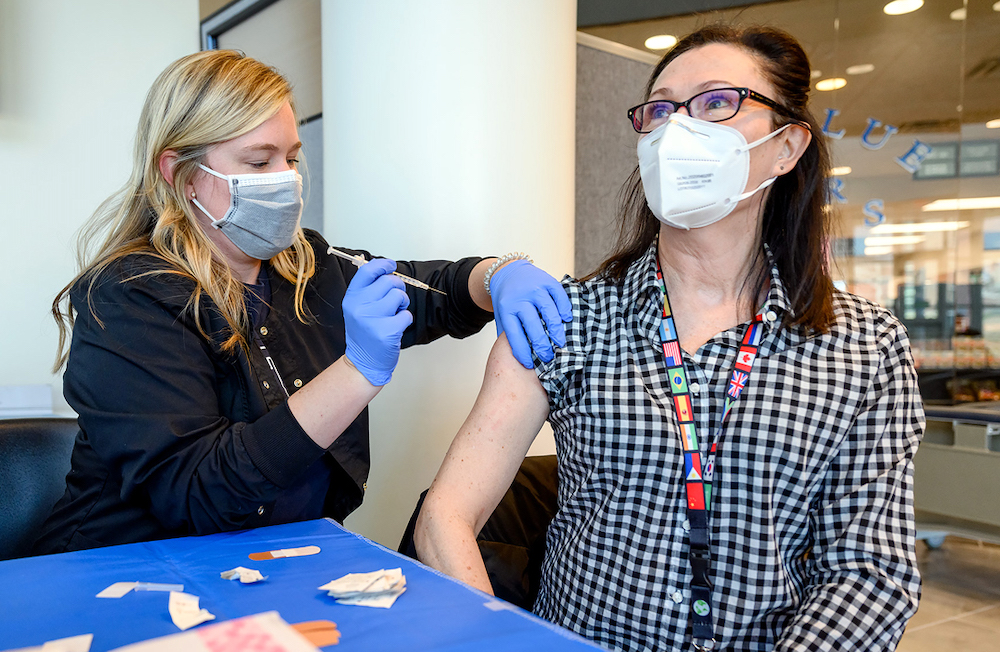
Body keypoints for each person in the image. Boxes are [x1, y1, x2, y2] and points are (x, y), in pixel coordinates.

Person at [415, 24, 924, 652]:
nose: (678, 129)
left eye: (717, 102)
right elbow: (445, 519)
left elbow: (870, 574)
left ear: (788, 146)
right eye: (662, 109)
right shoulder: (568, 316)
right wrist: (496, 641)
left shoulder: (865, 346)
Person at [32, 49, 571, 554]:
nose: (285, 180)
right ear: (180, 174)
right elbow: (204, 495)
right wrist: (356, 371)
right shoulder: (129, 298)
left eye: (290, 157)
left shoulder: (308, 265)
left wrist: (500, 273)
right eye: (259, 161)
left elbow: (441, 294)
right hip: (122, 576)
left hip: (273, 567)